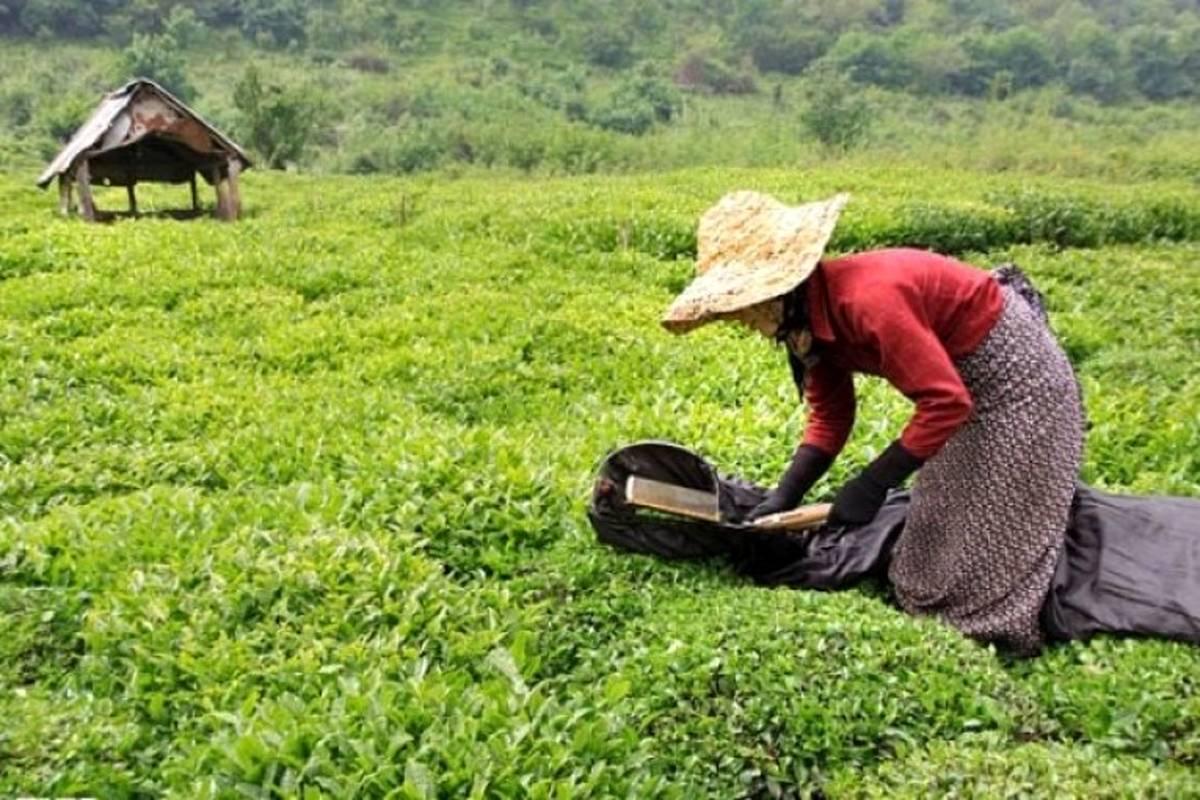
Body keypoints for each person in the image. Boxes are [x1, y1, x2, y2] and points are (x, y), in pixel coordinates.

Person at [661, 191, 1084, 654]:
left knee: (981, 556)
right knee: (934, 534)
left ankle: (1002, 623)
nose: (741, 321)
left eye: (744, 307)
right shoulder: (805, 322)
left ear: (777, 292)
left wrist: (872, 483)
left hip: (1018, 379)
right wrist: (786, 494)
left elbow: (944, 402)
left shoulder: (869, 302)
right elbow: (832, 415)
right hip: (959, 381)